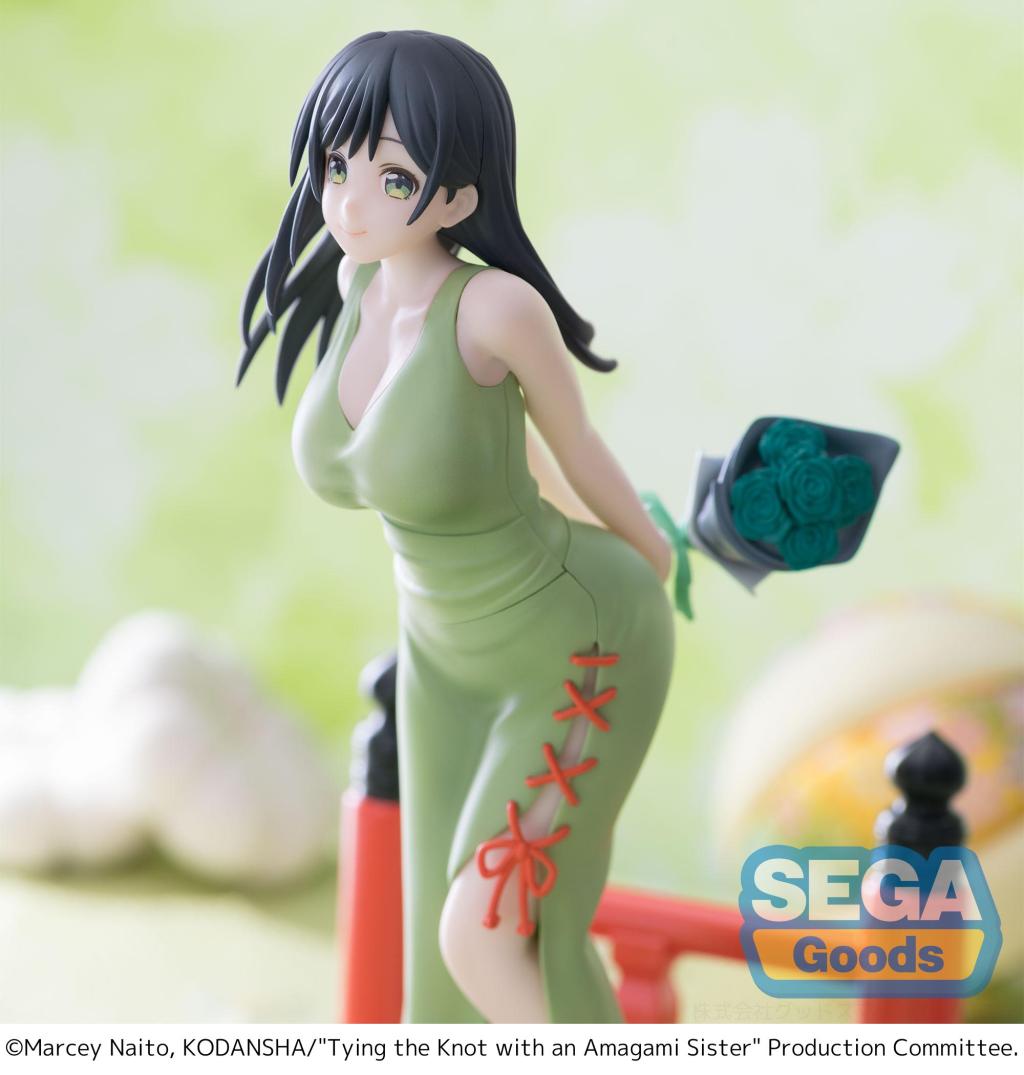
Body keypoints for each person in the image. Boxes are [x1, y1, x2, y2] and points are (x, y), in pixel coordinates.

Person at [238, 29, 676, 1023]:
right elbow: (498, 452)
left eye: (393, 177)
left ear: (460, 195)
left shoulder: (495, 309)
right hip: (440, 652)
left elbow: (574, 447)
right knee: (436, 952)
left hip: (575, 636)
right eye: (337, 166)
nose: (350, 203)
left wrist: (653, 555)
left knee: (484, 932)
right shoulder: (355, 286)